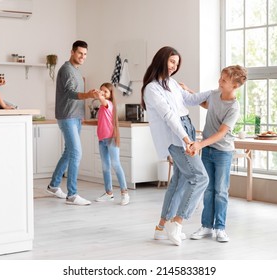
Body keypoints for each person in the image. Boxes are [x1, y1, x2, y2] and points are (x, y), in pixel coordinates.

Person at [141, 46, 209, 246]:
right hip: (176, 136)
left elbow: (191, 99)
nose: (174, 66)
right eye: (172, 62)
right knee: (199, 177)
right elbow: (168, 116)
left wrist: (214, 92)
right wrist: (186, 139)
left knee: (179, 180)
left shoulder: (171, 83)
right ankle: (177, 222)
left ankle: (161, 227)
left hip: (186, 128)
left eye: (176, 64)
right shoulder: (152, 88)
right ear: (161, 59)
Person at [188, 65, 248, 242]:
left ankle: (220, 227)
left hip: (223, 152)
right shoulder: (214, 95)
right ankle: (206, 226)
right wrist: (188, 91)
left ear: (234, 86)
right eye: (220, 78)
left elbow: (222, 132)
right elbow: (206, 103)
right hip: (207, 150)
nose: (219, 82)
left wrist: (200, 144)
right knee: (208, 190)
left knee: (221, 191)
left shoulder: (234, 107)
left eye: (224, 80)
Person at [46, 40, 101, 206]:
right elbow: (70, 94)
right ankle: (72, 194)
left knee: (69, 152)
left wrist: (81, 115)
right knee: (76, 153)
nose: (82, 57)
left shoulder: (77, 71)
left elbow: (76, 96)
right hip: (67, 116)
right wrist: (89, 95)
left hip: (75, 117)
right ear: (72, 52)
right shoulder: (66, 70)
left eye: (85, 54)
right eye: (80, 53)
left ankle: (54, 185)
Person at [94, 82, 130, 206]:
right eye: (101, 90)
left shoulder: (108, 104)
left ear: (110, 94)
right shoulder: (102, 106)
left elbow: (102, 99)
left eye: (105, 91)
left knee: (115, 164)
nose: (103, 93)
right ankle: (109, 193)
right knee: (105, 167)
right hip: (102, 140)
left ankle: (124, 192)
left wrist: (99, 95)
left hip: (111, 139)